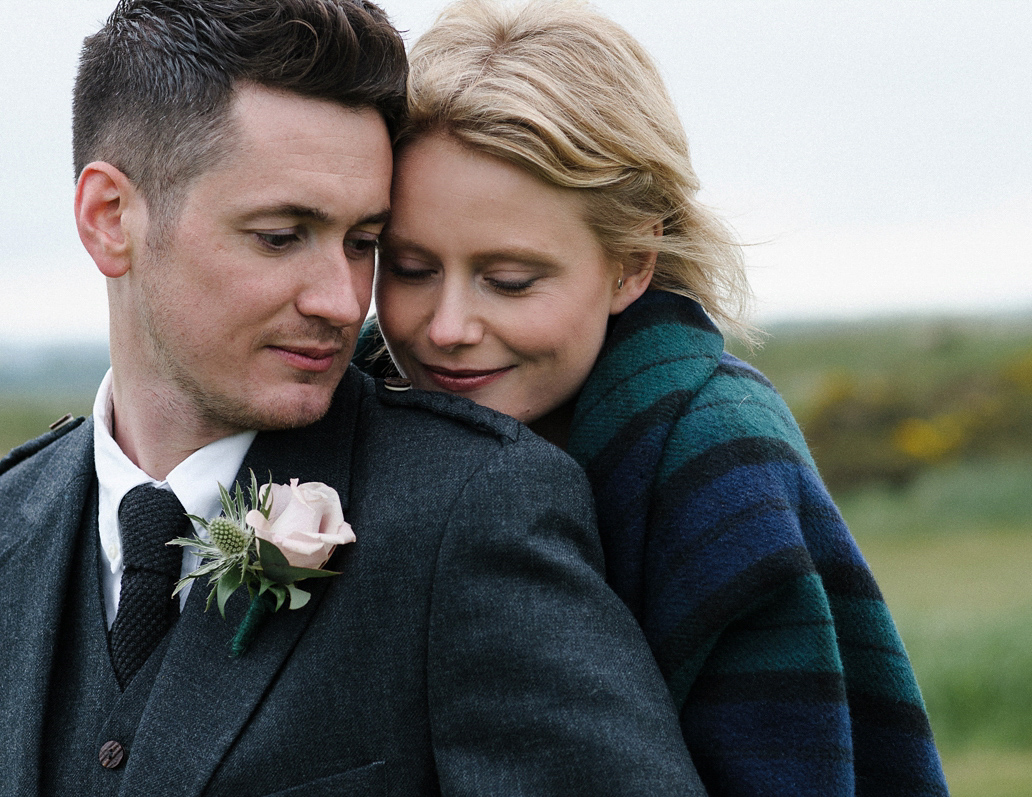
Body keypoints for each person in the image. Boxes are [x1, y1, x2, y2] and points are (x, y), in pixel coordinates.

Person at [0, 1, 710, 794]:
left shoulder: (476, 509)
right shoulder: (8, 522)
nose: (343, 302)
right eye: (279, 235)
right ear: (109, 218)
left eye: (365, 243)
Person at [360, 1, 951, 794]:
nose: (449, 325)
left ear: (632, 261)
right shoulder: (363, 403)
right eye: (409, 268)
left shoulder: (715, 453)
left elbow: (789, 765)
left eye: (510, 280)